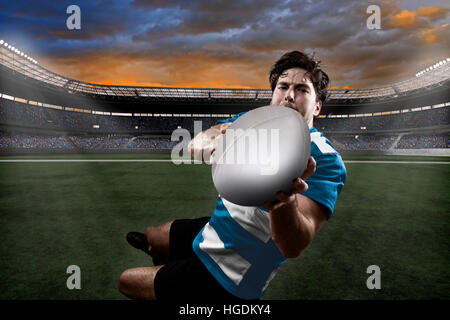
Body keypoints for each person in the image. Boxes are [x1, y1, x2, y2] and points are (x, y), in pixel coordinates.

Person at [118, 51, 347, 300]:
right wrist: (210, 142)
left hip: (232, 272)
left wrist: (284, 203)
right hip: (216, 228)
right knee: (153, 234)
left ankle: (172, 277)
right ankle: (169, 266)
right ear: (273, 96)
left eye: (302, 89)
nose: (290, 95)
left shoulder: (325, 160)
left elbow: (293, 245)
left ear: (317, 106)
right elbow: (200, 140)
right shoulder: (253, 123)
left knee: (126, 281)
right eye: (283, 86)